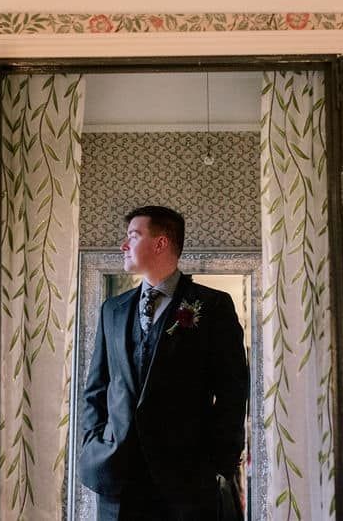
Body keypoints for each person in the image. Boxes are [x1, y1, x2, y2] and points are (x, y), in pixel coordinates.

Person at [79, 205, 249, 521]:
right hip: (119, 478)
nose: (123, 245)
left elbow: (232, 392)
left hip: (186, 481)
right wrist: (94, 444)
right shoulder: (112, 309)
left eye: (133, 236)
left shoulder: (212, 306)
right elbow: (96, 387)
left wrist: (216, 462)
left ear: (160, 243)